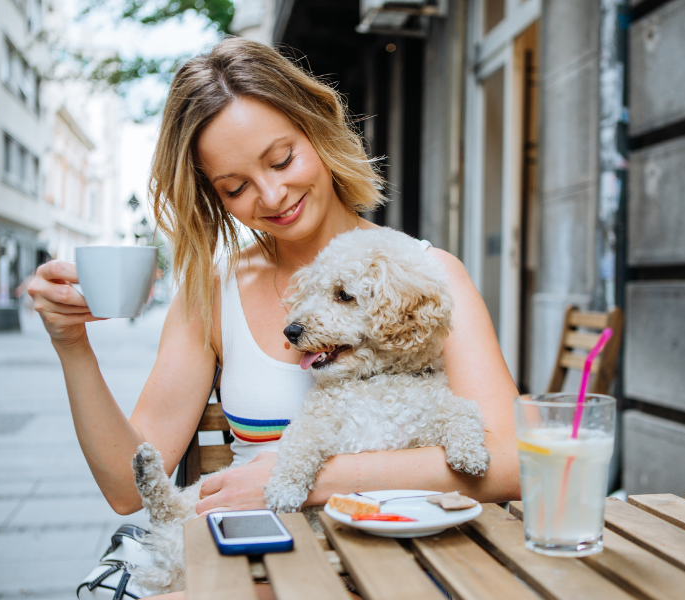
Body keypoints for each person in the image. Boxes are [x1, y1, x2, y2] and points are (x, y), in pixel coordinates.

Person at [28, 37, 520, 599]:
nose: (272, 194)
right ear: (213, 198)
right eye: (234, 187)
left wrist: (306, 479)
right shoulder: (213, 292)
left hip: (400, 574)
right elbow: (126, 487)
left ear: (318, 130)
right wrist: (71, 343)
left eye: (282, 159)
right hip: (255, 569)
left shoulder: (429, 275)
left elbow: (508, 462)